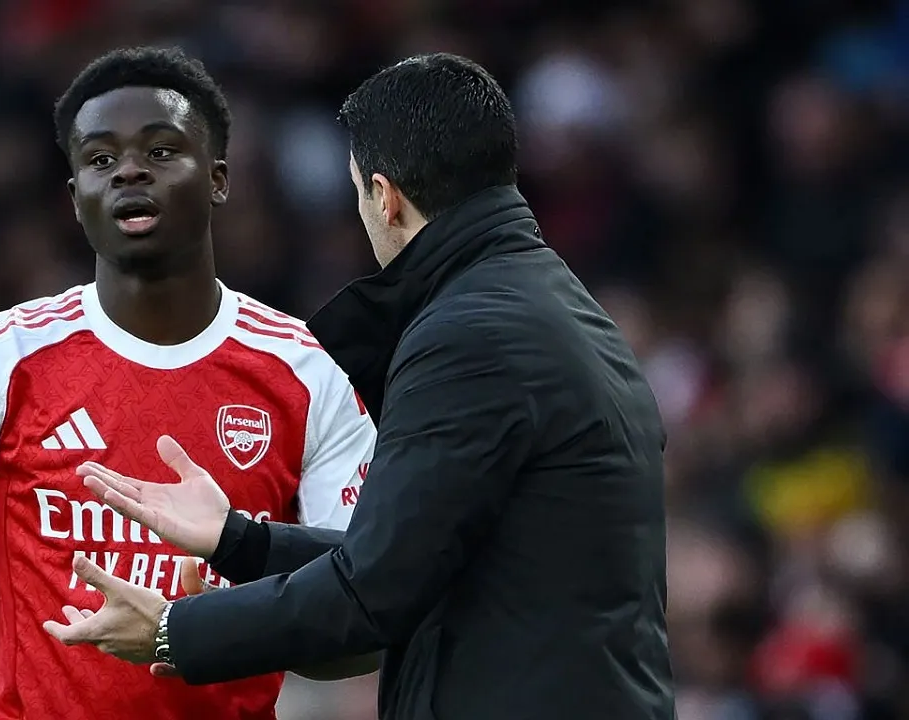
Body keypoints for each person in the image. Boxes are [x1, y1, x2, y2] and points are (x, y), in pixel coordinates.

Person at [45, 53, 677, 720]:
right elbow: (420, 553)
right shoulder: (555, 310)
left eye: (357, 195)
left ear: (385, 196)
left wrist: (175, 631)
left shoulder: (470, 338)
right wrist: (239, 541)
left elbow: (371, 592)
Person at [0, 46, 377, 720]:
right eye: (98, 159)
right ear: (75, 197)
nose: (127, 172)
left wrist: (227, 627)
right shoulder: (2, 358)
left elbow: (364, 615)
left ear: (217, 179)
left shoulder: (303, 374)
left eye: (160, 150)